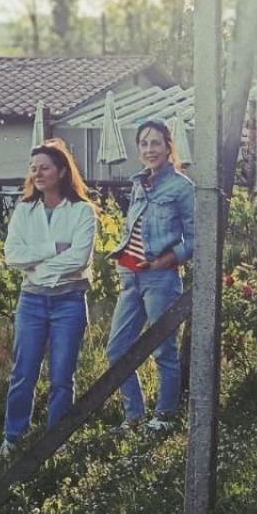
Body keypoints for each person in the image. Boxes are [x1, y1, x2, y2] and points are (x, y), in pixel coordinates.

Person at [0, 139, 97, 457]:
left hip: (69, 301)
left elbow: (80, 258)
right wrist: (52, 250)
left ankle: (57, 441)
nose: (38, 173)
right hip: (32, 302)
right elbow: (12, 256)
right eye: (33, 168)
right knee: (23, 372)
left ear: (61, 171)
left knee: (61, 376)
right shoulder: (25, 210)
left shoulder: (83, 211)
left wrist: (38, 266)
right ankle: (13, 438)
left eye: (44, 167)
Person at [106, 119, 195, 431]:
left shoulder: (182, 187)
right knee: (116, 350)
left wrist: (166, 260)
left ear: (168, 146)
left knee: (163, 349)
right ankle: (134, 418)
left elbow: (196, 239)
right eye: (144, 143)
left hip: (160, 278)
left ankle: (164, 417)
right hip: (130, 277)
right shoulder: (138, 184)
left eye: (155, 142)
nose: (149, 149)